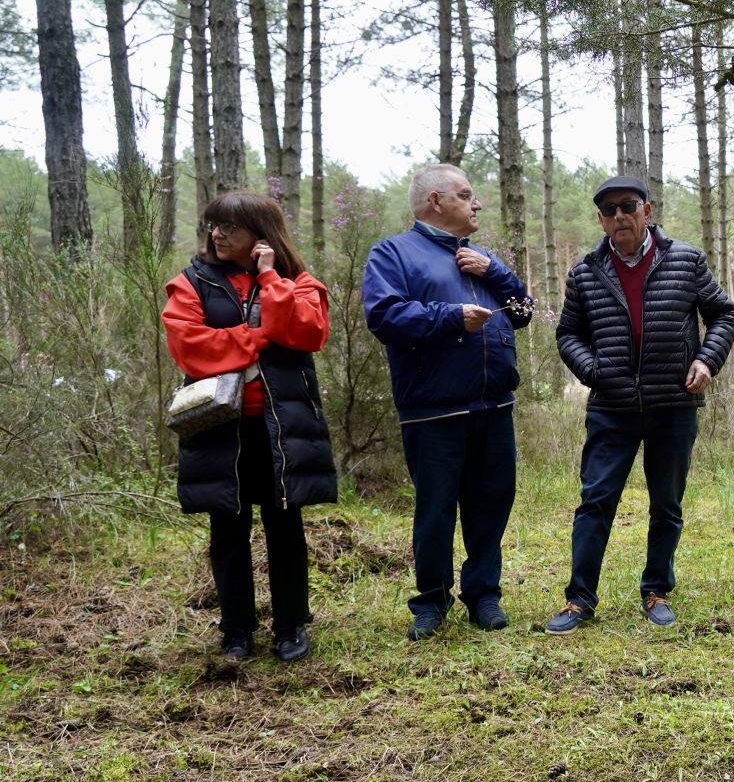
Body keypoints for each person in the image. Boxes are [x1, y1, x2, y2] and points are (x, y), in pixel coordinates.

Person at [545, 176, 734, 632]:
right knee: (595, 500)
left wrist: (707, 360)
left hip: (673, 403)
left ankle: (656, 590)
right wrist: (593, 371)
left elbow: (723, 313)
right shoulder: (585, 272)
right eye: (609, 210)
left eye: (628, 206)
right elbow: (568, 334)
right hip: (611, 407)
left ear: (646, 211)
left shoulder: (685, 260)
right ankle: (579, 599)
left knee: (666, 503)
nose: (619, 216)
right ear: (601, 219)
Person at [362, 163, 533, 641]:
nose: (477, 203)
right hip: (433, 410)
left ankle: (484, 595)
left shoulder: (481, 257)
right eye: (465, 194)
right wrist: (452, 317)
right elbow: (384, 316)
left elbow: (523, 313)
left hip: (495, 406)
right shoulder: (393, 253)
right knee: (435, 510)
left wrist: (498, 272)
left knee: (491, 503)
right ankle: (431, 602)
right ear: (435, 201)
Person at [163, 191, 336, 663]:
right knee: (227, 529)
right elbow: (190, 347)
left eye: (230, 228)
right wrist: (258, 337)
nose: (217, 235)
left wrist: (269, 277)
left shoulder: (297, 281)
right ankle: (236, 631)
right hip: (219, 427)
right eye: (214, 225)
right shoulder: (191, 282)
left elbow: (307, 332)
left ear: (262, 234)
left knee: (285, 526)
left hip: (282, 428)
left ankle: (290, 626)